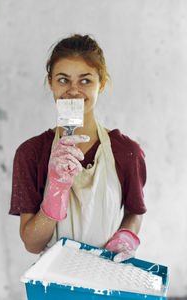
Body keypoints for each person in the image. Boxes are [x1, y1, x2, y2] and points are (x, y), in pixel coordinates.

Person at [9, 34, 146, 262]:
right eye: (63, 80)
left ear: (101, 84)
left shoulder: (127, 152)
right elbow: (32, 244)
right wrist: (55, 193)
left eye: (85, 81)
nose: (73, 91)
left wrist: (125, 238)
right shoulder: (31, 153)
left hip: (107, 272)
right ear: (50, 83)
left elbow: (134, 212)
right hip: (54, 281)